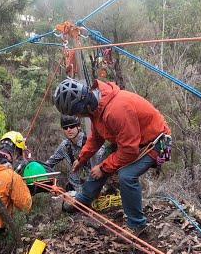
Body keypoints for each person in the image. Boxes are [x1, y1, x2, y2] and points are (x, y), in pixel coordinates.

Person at [53, 78, 172, 236]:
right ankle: (84, 199)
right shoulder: (97, 106)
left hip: (156, 143)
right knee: (104, 160)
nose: (79, 117)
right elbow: (96, 138)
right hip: (133, 139)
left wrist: (103, 168)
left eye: (77, 113)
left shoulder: (116, 110)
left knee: (126, 175)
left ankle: (137, 225)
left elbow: (130, 150)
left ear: (83, 107)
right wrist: (81, 159)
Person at [43, 114, 107, 196]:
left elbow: (104, 165)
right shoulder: (64, 146)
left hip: (97, 188)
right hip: (75, 190)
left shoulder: (92, 143)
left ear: (79, 127)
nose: (69, 130)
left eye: (72, 126)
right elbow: (48, 164)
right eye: (65, 128)